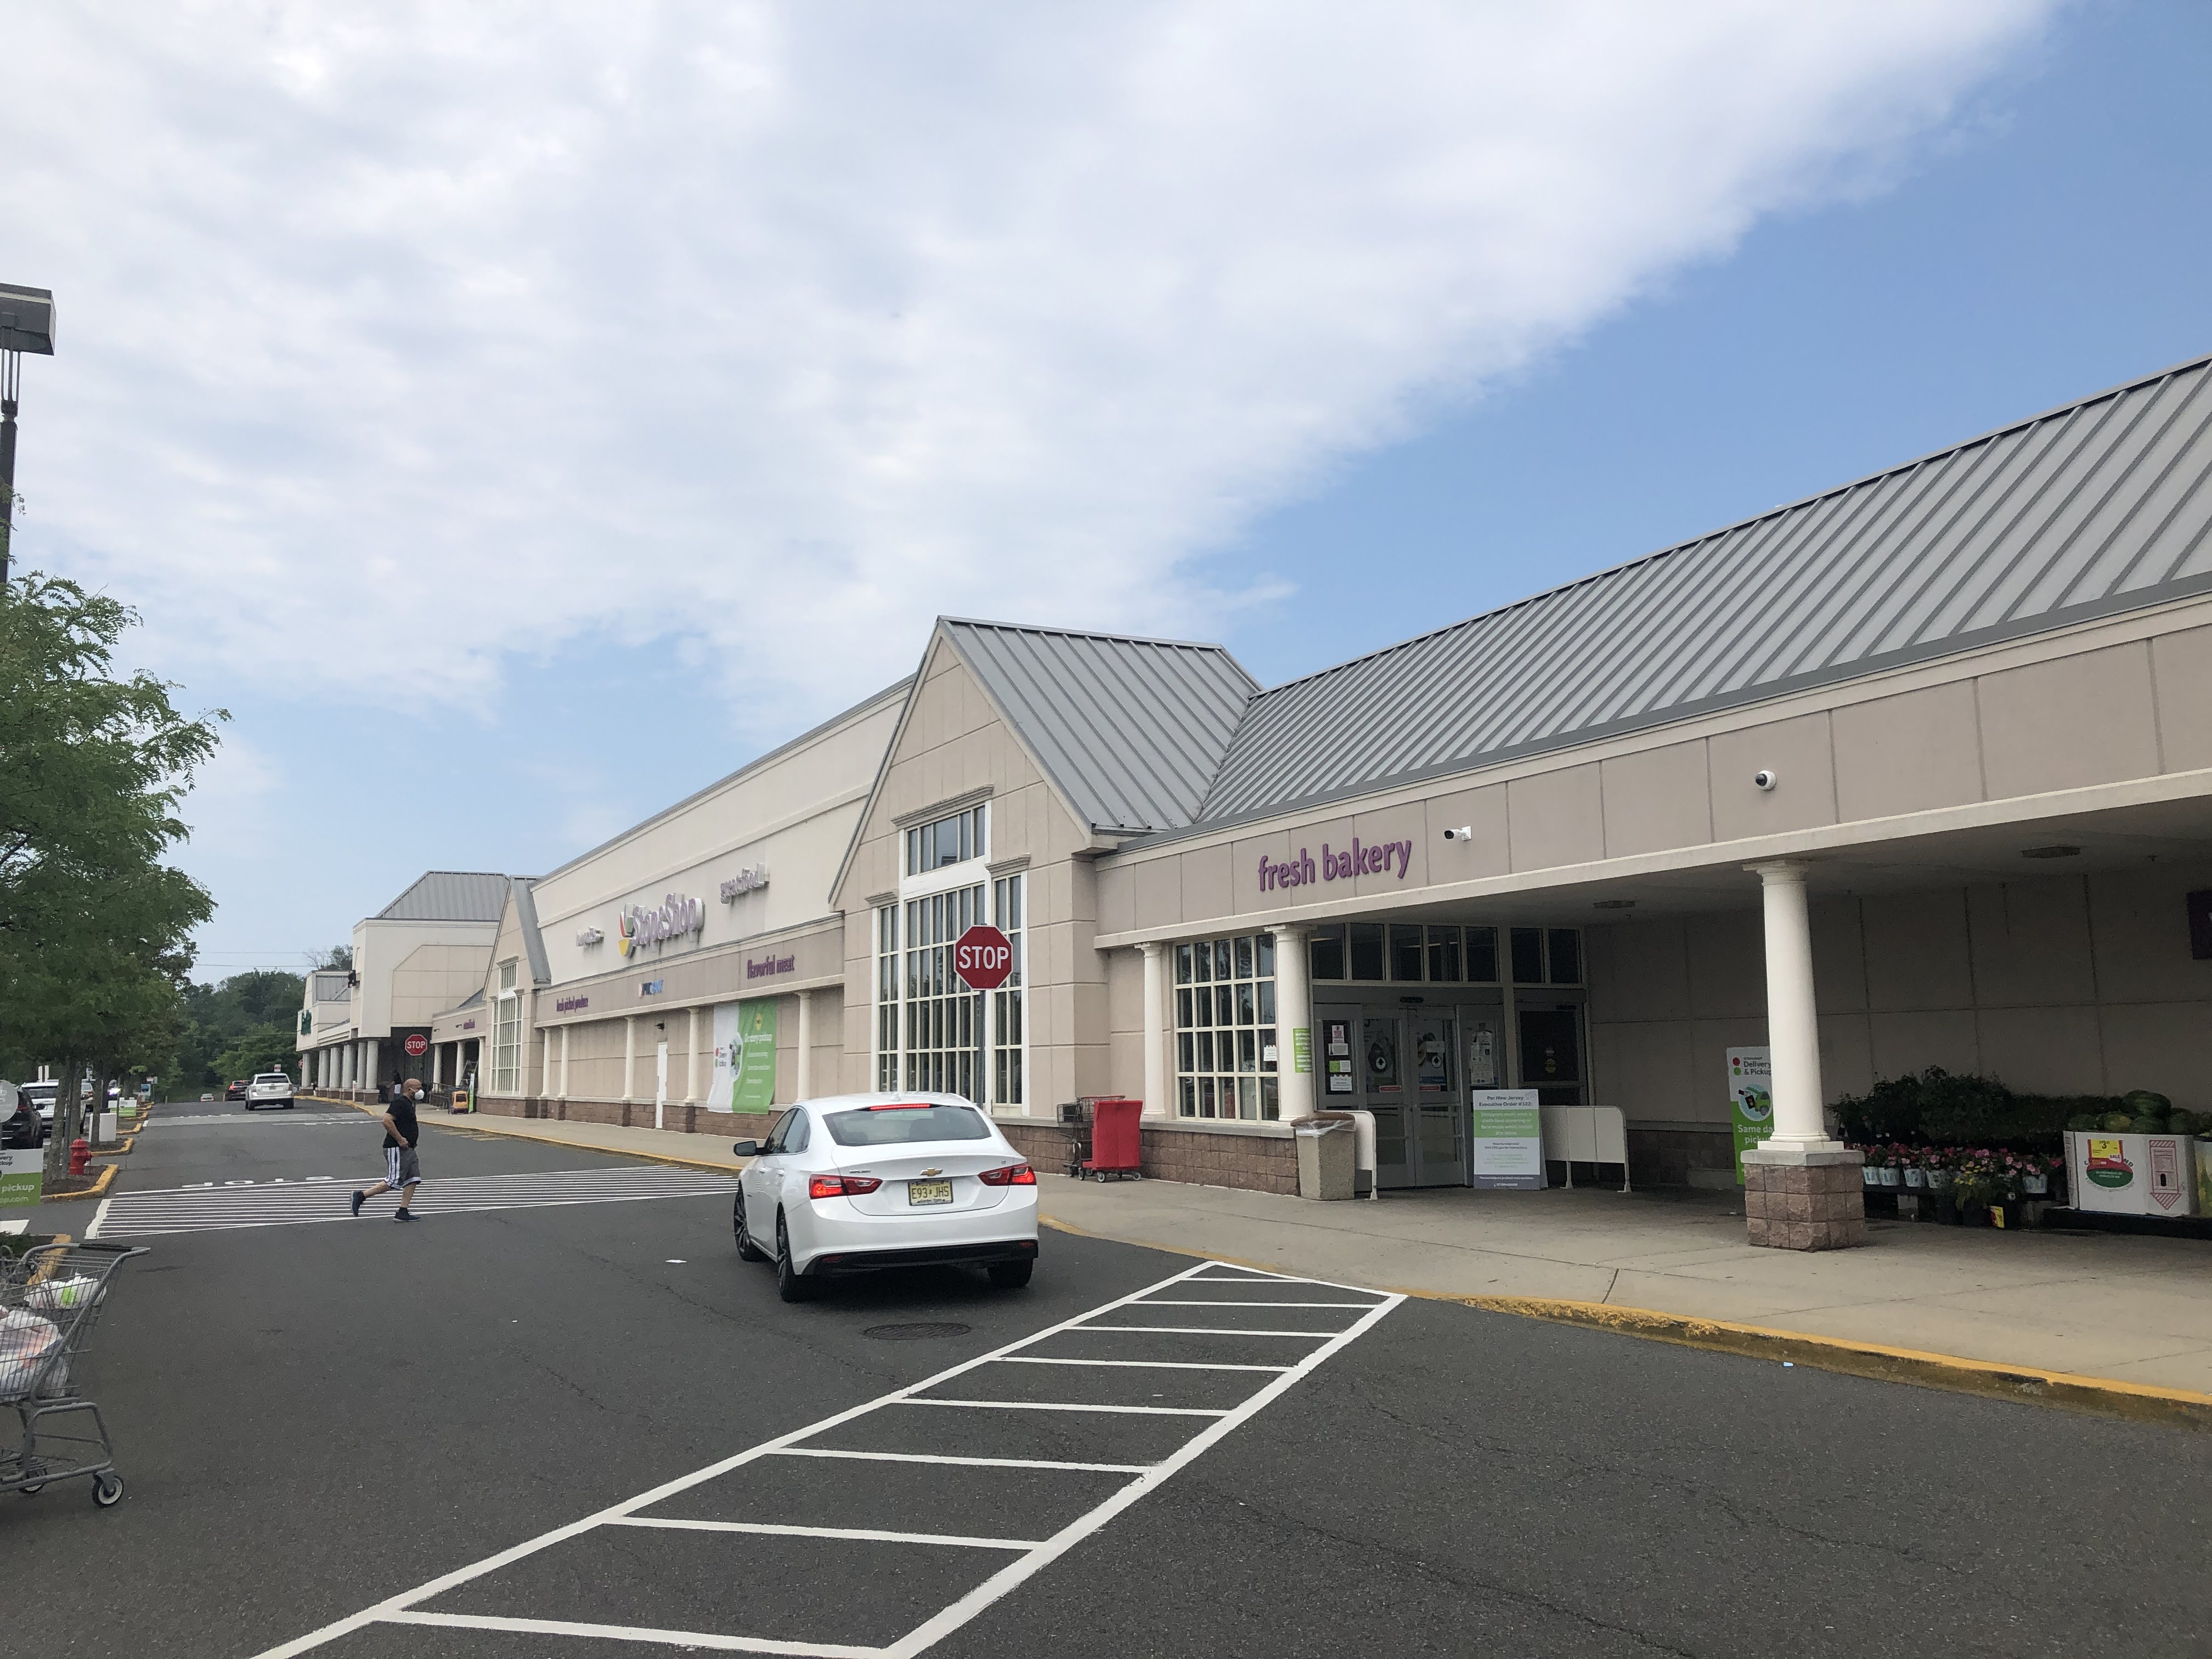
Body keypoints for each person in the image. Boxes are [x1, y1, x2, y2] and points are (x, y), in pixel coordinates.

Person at [352, 1076, 425, 1222]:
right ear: (409, 1089)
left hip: (409, 1149)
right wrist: (400, 1139)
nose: (421, 1091)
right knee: (394, 1181)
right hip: (397, 1148)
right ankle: (361, 1196)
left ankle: (402, 1212)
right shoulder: (400, 1103)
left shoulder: (410, 1104)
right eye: (418, 1088)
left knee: (413, 1179)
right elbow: (386, 1120)